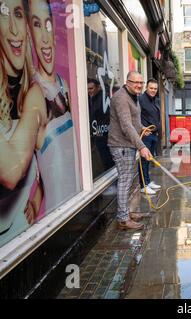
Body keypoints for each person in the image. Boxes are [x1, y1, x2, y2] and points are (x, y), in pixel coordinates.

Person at [27, 0, 79, 214]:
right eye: (37, 25)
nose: (46, 38)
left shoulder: (63, 84)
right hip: (57, 211)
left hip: (75, 199)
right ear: (29, 35)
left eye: (48, 25)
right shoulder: (35, 96)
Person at [0, 0, 47, 239]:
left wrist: (38, 196)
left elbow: (13, 170)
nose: (15, 29)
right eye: (2, 12)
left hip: (18, 237)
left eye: (17, 14)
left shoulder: (33, 94)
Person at [108, 71, 152, 230]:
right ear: (127, 82)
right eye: (135, 82)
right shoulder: (121, 98)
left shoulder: (134, 96)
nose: (139, 85)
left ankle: (129, 212)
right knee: (125, 181)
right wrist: (142, 146)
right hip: (121, 145)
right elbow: (126, 126)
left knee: (132, 180)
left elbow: (134, 121)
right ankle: (123, 220)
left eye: (141, 82)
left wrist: (142, 128)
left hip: (129, 145)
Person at [138, 78, 162, 195]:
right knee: (144, 160)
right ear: (146, 88)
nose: (153, 90)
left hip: (154, 135)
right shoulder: (140, 100)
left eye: (155, 89)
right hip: (145, 135)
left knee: (149, 159)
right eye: (151, 88)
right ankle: (143, 185)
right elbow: (135, 116)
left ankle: (147, 182)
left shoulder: (156, 100)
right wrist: (141, 128)